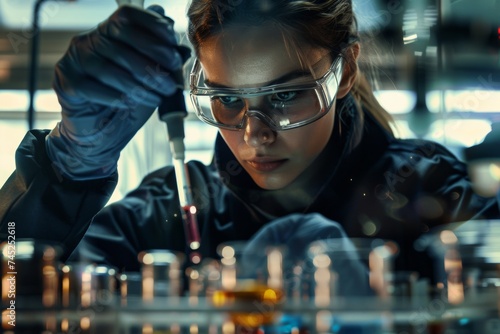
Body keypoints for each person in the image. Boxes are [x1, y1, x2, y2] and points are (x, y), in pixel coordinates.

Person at [0, 0, 499, 289]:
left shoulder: (429, 191)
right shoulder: (169, 209)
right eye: (228, 99)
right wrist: (66, 175)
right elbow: (12, 299)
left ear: (344, 71)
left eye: (285, 95)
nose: (254, 132)